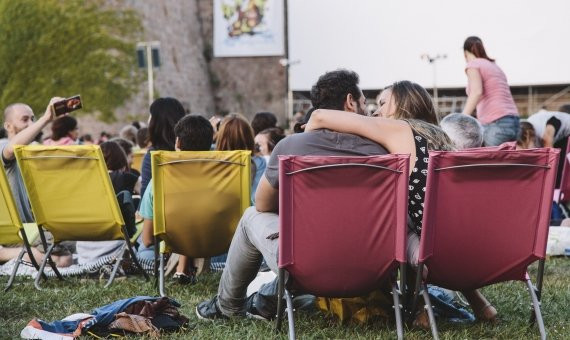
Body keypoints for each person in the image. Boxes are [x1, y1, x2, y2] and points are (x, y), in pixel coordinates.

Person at [195, 69, 389, 321]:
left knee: (250, 215)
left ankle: (227, 307)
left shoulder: (290, 147)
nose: (368, 110)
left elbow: (263, 204)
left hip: (305, 267)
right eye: (364, 103)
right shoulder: (383, 151)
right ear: (350, 102)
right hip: (373, 265)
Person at [305, 80, 497, 324]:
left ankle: (418, 309)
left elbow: (320, 116)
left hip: (431, 253)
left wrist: (306, 133)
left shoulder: (400, 129)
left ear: (404, 105)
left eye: (383, 103)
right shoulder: (440, 136)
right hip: (464, 248)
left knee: (392, 219)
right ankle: (481, 305)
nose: (376, 111)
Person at [138, 114, 214, 284]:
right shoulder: (226, 175)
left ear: (178, 142)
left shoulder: (160, 179)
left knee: (141, 248)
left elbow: (148, 239)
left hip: (174, 242)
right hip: (219, 243)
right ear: (210, 144)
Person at [0, 98, 72, 267]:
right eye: (25, 119)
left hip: (32, 227)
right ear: (8, 126)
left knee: (77, 243)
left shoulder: (31, 152)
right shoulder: (4, 145)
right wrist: (46, 118)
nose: (30, 123)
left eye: (33, 118)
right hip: (15, 232)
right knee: (63, 260)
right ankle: (3, 253)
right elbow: (10, 150)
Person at [461, 36, 520, 146]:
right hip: (514, 122)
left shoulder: (473, 65)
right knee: (508, 162)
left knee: (490, 162)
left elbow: (476, 92)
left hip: (496, 124)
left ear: (465, 53)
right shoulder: (494, 66)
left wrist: (460, 119)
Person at [140, 97, 185, 197]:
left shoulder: (153, 157)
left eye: (150, 116)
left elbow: (145, 202)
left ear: (156, 123)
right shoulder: (198, 153)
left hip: (163, 212)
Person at [216, 114, 266, 203]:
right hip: (247, 213)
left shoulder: (212, 161)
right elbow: (256, 199)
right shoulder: (259, 162)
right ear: (249, 137)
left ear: (221, 138)